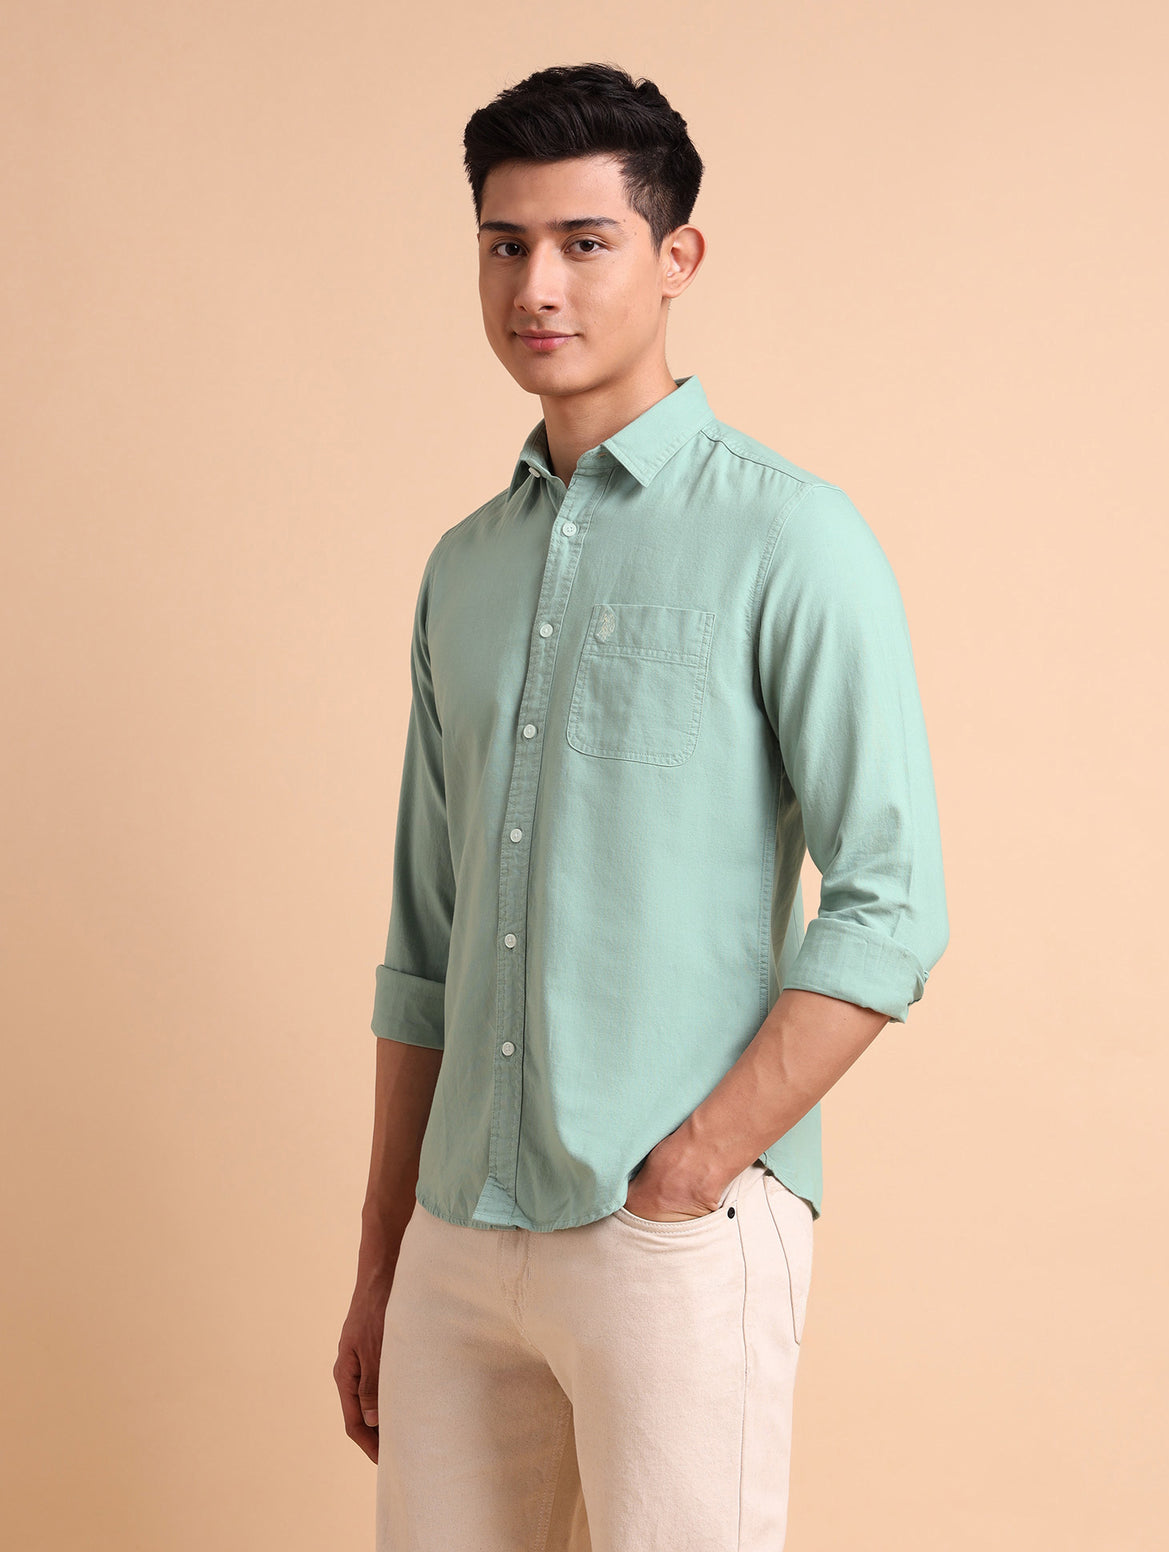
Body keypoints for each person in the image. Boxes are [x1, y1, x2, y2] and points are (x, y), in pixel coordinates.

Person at [334, 61, 949, 1552]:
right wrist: (384, 1252)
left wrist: (698, 1166)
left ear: (678, 258)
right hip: (456, 1234)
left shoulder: (792, 538)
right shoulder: (463, 569)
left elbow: (891, 904)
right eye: (505, 244)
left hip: (667, 1227)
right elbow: (427, 938)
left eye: (584, 241)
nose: (536, 284)